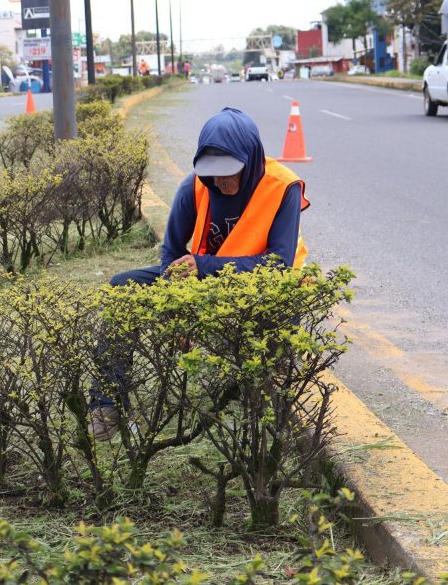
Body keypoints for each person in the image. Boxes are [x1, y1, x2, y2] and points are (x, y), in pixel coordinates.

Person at [89, 107, 310, 439]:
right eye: (212, 173)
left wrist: (204, 267)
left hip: (262, 287)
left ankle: (276, 363)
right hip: (203, 283)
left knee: (276, 324)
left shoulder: (283, 187)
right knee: (124, 286)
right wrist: (179, 308)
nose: (220, 182)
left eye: (229, 172)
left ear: (251, 160)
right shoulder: (194, 186)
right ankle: (106, 405)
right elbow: (171, 254)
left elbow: (278, 266)